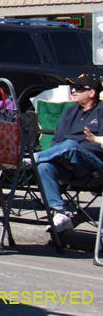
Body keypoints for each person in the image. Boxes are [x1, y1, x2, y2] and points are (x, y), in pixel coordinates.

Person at [25, 73, 103, 233]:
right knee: (44, 167)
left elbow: (99, 144)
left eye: (79, 88)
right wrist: (60, 160)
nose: (73, 91)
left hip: (93, 165)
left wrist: (70, 151)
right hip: (68, 165)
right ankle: (60, 213)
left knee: (70, 145)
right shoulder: (70, 111)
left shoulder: (102, 111)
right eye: (73, 87)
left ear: (92, 93)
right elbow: (56, 141)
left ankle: (31, 159)